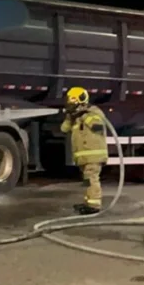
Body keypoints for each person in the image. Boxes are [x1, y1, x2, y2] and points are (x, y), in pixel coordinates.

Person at [60, 86, 108, 215]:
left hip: (93, 156)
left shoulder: (94, 112)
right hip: (84, 157)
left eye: (72, 101)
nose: (70, 103)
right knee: (87, 180)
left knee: (92, 179)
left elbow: (97, 126)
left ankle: (94, 205)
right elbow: (64, 129)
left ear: (81, 100)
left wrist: (83, 115)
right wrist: (70, 117)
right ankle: (88, 203)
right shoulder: (75, 117)